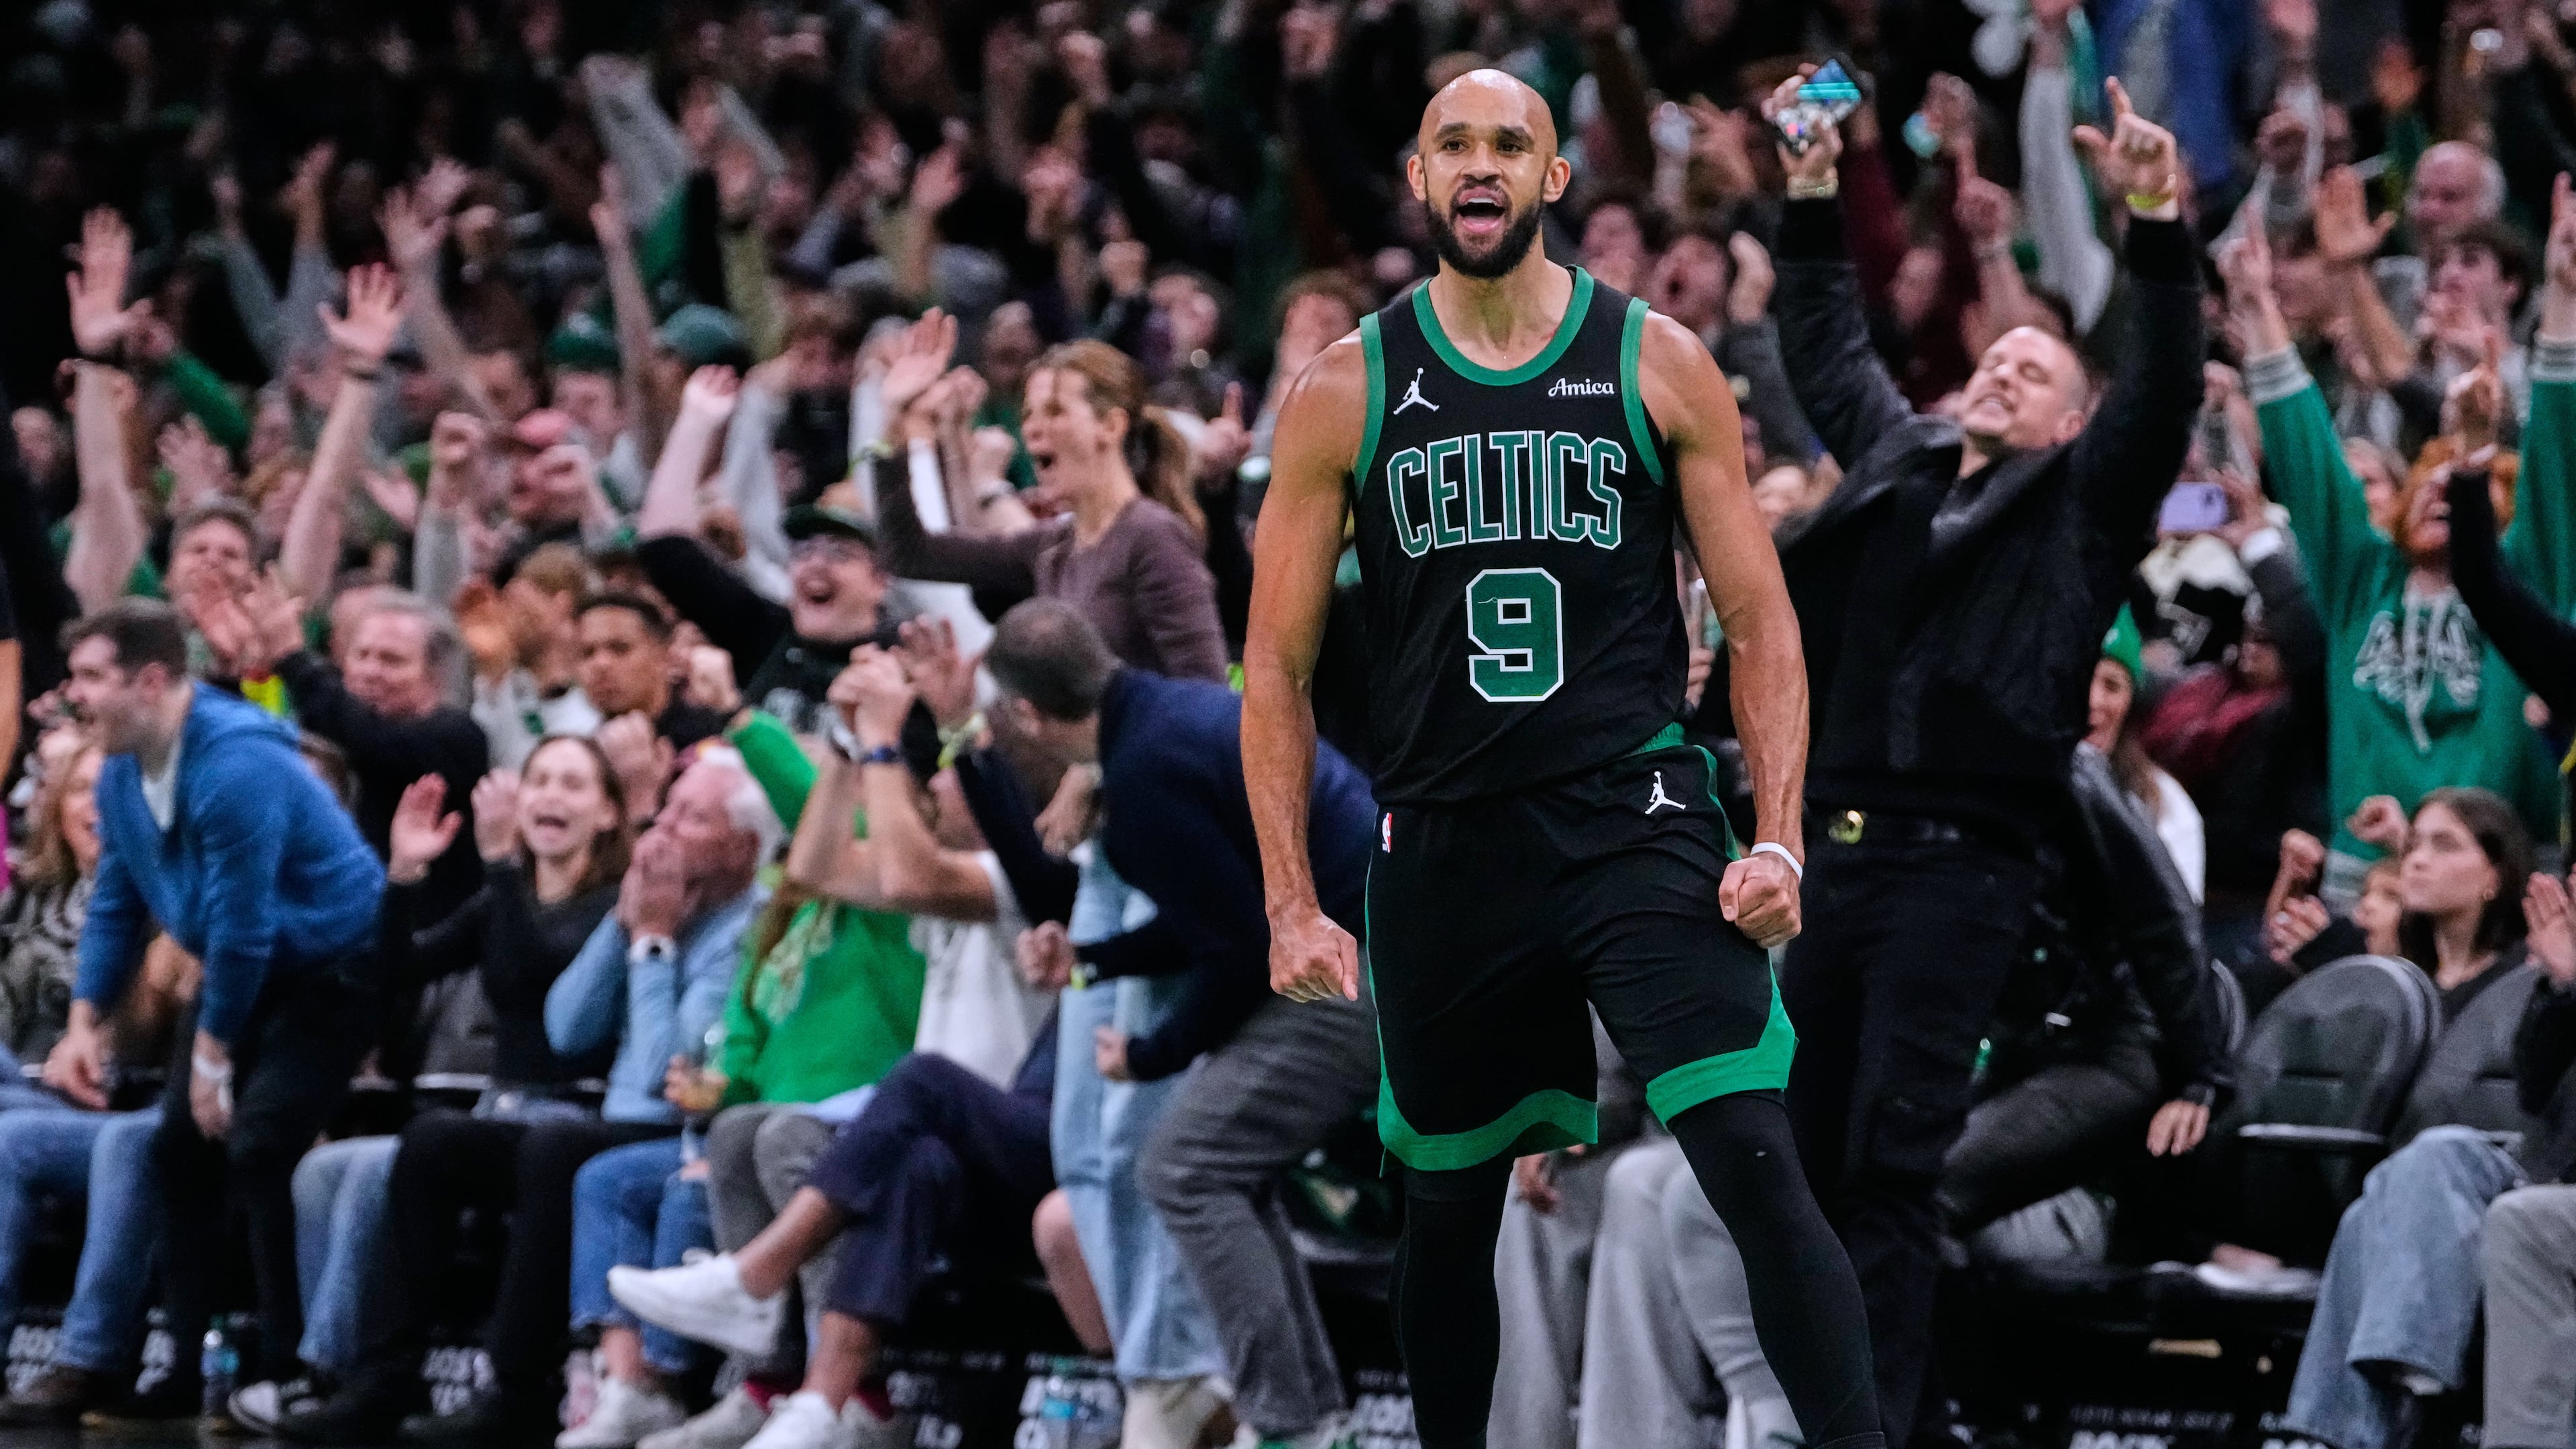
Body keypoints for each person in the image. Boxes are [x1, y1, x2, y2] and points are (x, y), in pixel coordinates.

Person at [1244, 70, 1882, 1449]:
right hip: (1444, 838)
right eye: (1453, 145)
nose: (1481, 166)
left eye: (1510, 145)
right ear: (1417, 180)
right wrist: (1292, 900)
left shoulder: (1656, 358)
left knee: (1754, 1162)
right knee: (1447, 1210)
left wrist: (1777, 835)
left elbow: (1763, 619)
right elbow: (1276, 671)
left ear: (1551, 180)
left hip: (1632, 811)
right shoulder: (1341, 389)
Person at [1757, 69, 2206, 1440]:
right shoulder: (1900, 458)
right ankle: (1863, 1415)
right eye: (1995, 356)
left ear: (2075, 422)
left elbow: (2169, 387)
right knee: (1810, 1169)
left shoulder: (2081, 503)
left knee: (1891, 1169)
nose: (2004, 362)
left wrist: (2153, 221)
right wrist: (1815, 184)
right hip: (1831, 860)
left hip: (1962, 872)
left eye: (2038, 368)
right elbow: (1824, 340)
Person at [965, 600, 1380, 1449]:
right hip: (1370, 954)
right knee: (1222, 1168)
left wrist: (1151, 1054)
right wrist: (1094, 964)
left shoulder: (1145, 780)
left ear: (1028, 716)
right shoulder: (1172, 717)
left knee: (1184, 1168)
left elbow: (1232, 949)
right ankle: (1310, 1420)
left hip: (1355, 976)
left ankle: (1291, 1425)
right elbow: (1217, 913)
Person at [279, 752, 769, 1448]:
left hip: (665, 1127)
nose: (663, 831)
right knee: (435, 1141)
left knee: (555, 1146)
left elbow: (670, 1074)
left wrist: (653, 943)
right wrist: (627, 928)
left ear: (744, 846)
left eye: (691, 817)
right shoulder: (652, 898)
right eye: (666, 811)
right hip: (600, 1117)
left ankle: (519, 1390)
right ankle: (382, 1380)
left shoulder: (745, 928)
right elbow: (567, 1027)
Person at [228, 736, 631, 1434]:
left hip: (574, 1115)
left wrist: (502, 863)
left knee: (417, 1149)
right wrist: (404, 877)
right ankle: (368, 1375)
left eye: (573, 784)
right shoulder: (501, 898)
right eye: (539, 779)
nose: (551, 796)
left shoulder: (614, 905)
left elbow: (533, 976)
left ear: (607, 814)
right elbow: (393, 973)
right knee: (330, 1169)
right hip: (498, 1115)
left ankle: (379, 1375)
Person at [48, 598, 386, 1420]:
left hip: (335, 970)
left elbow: (246, 926)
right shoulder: (128, 768)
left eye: (92, 677)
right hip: (251, 965)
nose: (75, 695)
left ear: (152, 679)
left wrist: (212, 1056)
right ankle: (181, 1373)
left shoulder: (236, 764)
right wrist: (85, 1017)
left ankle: (289, 1368)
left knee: (258, 1142)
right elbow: (119, 900)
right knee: (175, 1149)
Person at [2226, 174, 2576, 900]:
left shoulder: (2524, 581)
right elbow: (2308, 460)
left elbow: (2554, 464)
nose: (2444, 488)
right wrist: (2260, 313)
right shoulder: (2364, 578)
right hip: (2367, 886)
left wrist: (2566, 300)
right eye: (2431, 475)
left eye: (2471, 486)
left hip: (2504, 891)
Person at [2279, 788, 2546, 1449]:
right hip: (2399, 1202)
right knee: (2372, 1208)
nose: (2417, 862)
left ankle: (2402, 1387)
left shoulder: (2534, 983)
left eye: (2443, 845)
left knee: (2428, 1160)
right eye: (2414, 845)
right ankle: (2342, 1436)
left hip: (2500, 1193)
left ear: (2495, 875)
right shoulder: (2392, 988)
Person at [868, 315, 1230, 682]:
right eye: (1028, 414)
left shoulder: (1152, 536)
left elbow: (1205, 695)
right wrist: (895, 427)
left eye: (1055, 411)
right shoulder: (1052, 545)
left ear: (1111, 426)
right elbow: (909, 553)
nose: (1033, 428)